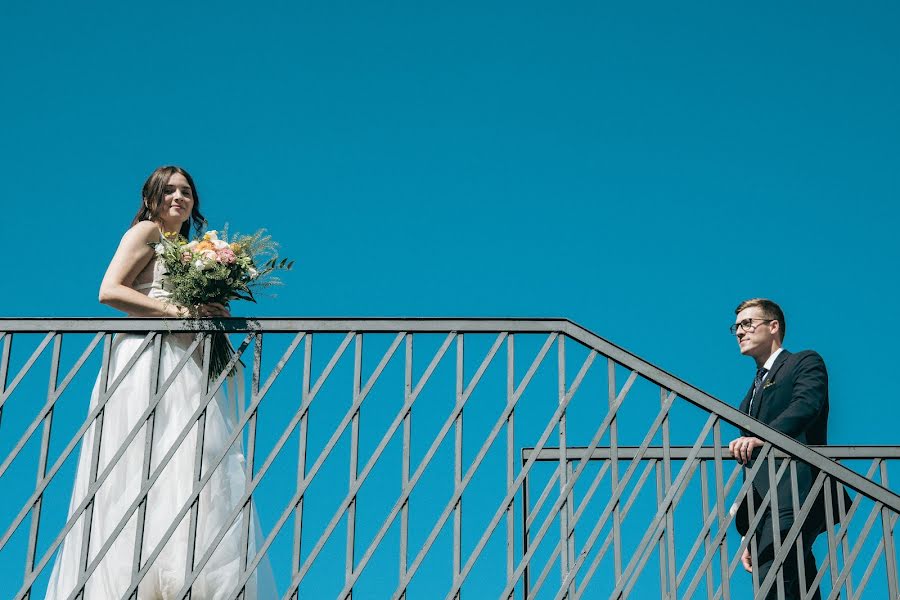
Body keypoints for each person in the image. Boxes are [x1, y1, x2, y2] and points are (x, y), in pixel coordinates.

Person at [45, 166, 275, 599]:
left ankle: (186, 571)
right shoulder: (146, 232)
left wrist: (210, 308)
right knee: (140, 459)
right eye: (168, 190)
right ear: (151, 198)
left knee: (192, 458)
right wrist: (176, 313)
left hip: (187, 362)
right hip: (148, 357)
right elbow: (110, 290)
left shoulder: (189, 249)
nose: (178, 197)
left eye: (186, 191)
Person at [727, 298, 831, 600]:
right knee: (796, 581)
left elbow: (806, 405)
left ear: (773, 327)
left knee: (776, 578)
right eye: (736, 326)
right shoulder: (748, 398)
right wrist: (749, 527)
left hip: (798, 490)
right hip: (767, 505)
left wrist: (762, 436)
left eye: (748, 324)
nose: (739, 332)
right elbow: (755, 467)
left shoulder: (804, 362)